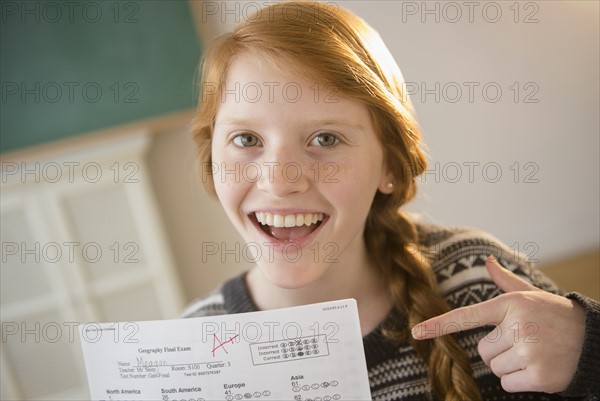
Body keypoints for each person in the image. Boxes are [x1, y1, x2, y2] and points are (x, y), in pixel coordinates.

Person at [183, 2, 600, 400]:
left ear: (389, 165)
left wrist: (590, 354)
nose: (279, 182)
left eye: (325, 139)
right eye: (246, 139)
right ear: (211, 158)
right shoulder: (188, 359)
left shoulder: (479, 283)